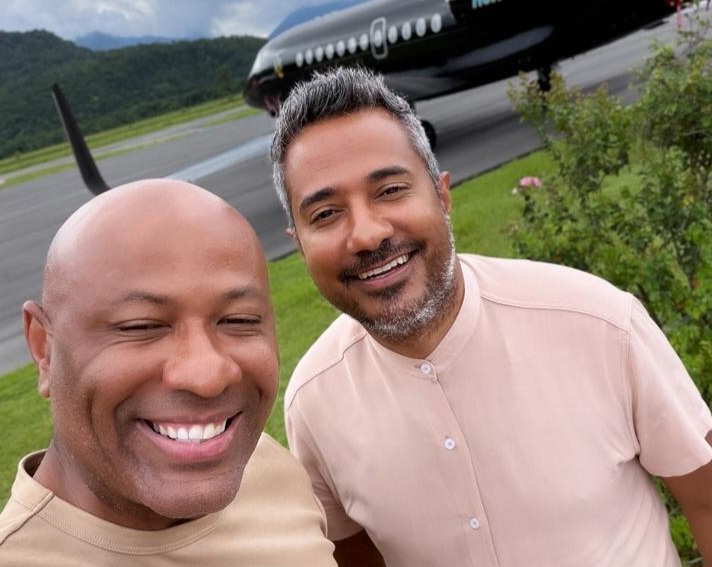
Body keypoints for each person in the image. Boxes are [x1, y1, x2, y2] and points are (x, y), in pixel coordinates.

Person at [270, 67, 712, 567]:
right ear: (299, 245)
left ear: (442, 195)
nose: (368, 234)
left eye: (390, 190)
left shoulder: (599, 323)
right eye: (326, 214)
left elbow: (707, 501)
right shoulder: (313, 403)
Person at [0, 179, 337, 566]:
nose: (207, 376)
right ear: (44, 348)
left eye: (239, 320)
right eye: (141, 326)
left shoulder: (267, 467)